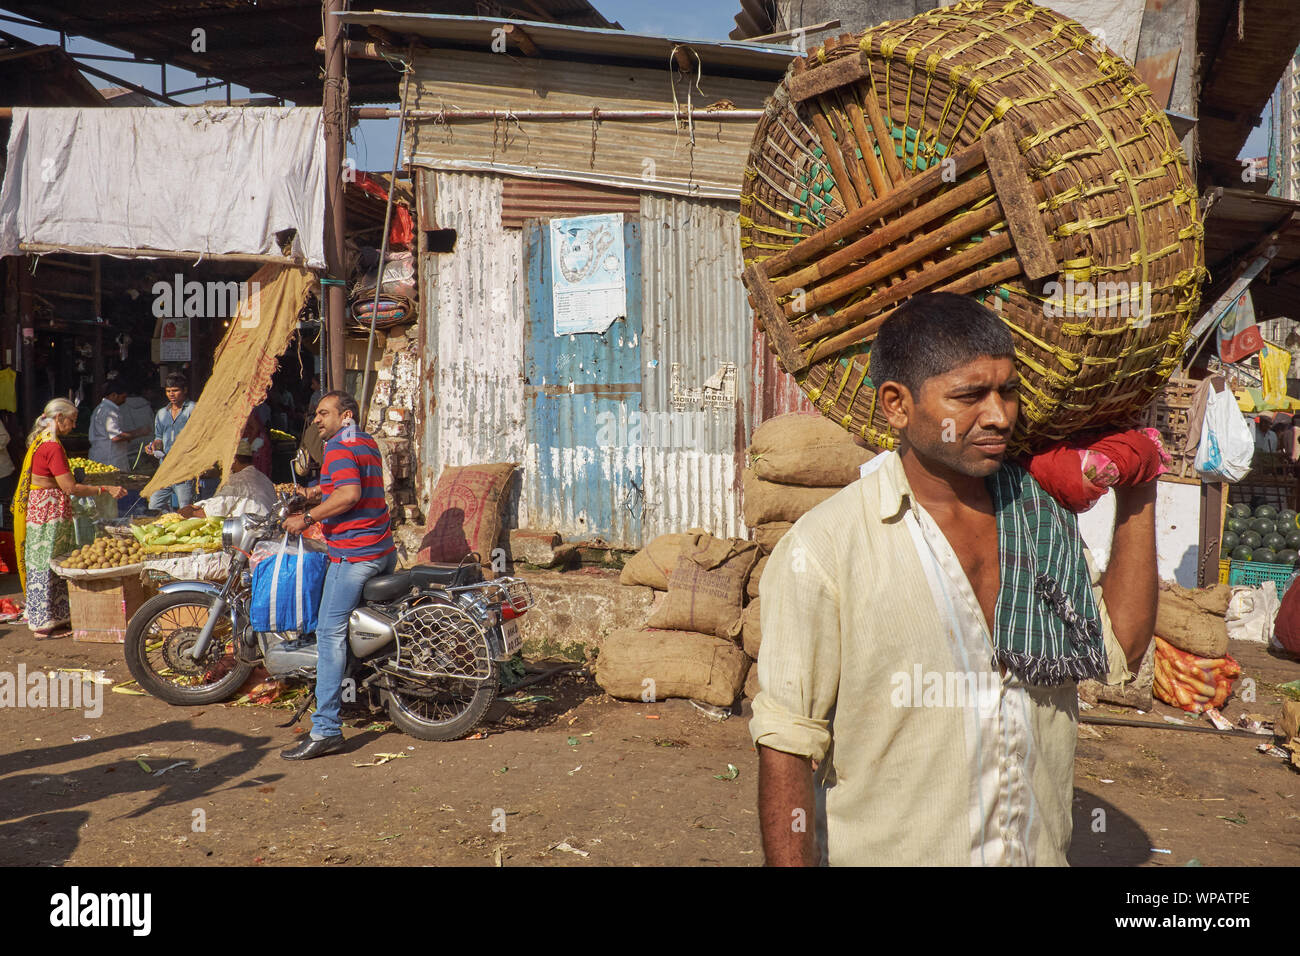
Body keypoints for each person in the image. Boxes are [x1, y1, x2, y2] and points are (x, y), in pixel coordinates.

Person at [752, 293, 1157, 866]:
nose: (998, 415)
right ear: (897, 405)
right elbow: (788, 741)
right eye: (969, 396)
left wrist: (1141, 481)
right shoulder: (827, 547)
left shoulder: (1039, 525)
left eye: (1008, 391)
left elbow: (1123, 648)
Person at [279, 390, 395, 759]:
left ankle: (326, 727)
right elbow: (342, 489)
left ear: (345, 416)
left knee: (329, 633)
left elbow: (347, 495)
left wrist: (306, 518)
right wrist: (310, 493)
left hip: (354, 556)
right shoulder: (364, 441)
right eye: (316, 414)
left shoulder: (338, 447)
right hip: (381, 550)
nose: (317, 420)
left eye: (324, 413)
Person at [13, 399, 126, 637]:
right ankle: (44, 624)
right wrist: (103, 488)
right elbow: (70, 487)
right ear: (59, 418)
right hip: (48, 510)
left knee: (46, 561)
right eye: (72, 420)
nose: (74, 425)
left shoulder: (41, 440)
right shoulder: (52, 446)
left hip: (42, 508)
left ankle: (52, 618)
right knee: (48, 562)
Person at [180, 440, 278, 518]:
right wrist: (200, 504)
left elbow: (213, 512)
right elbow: (224, 500)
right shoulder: (262, 477)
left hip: (252, 532)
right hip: (267, 526)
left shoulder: (237, 480)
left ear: (234, 460)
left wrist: (189, 513)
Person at [146, 373, 197, 510]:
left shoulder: (193, 409)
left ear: (185, 390)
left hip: (185, 468)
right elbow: (159, 437)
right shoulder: (162, 413)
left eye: (175, 390)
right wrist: (154, 446)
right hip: (165, 467)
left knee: (185, 508)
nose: (171, 394)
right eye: (168, 391)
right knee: (154, 505)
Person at [88, 384, 151, 471]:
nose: (124, 400)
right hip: (109, 458)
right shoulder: (109, 410)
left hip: (104, 454)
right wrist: (140, 432)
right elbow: (116, 437)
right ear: (114, 395)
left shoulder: (102, 408)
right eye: (123, 397)